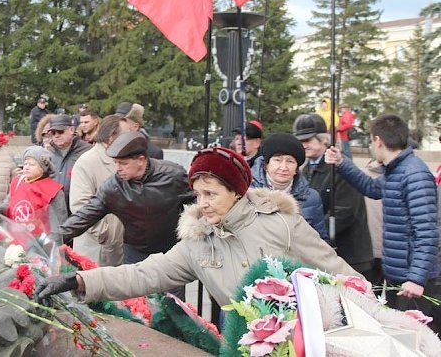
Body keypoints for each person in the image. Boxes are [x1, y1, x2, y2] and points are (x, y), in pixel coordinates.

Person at [36, 146, 360, 308]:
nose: (202, 203)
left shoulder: (281, 223)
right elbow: (145, 273)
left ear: (236, 192)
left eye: (211, 194)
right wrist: (79, 280)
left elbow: (337, 271)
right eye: (198, 194)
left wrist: (376, 311)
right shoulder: (198, 241)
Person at [325, 114, 439, 326]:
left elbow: (427, 232)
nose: (371, 146)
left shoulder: (415, 174)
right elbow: (372, 188)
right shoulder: (395, 170)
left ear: (378, 140)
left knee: (416, 340)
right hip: (398, 274)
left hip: (412, 281)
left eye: (370, 141)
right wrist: (342, 163)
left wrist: (416, 278)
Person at [58, 131, 194, 299]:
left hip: (171, 253)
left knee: (175, 309)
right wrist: (56, 237)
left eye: (123, 163)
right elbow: (85, 216)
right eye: (115, 163)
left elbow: (198, 203)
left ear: (141, 160)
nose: (117, 168)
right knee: (139, 308)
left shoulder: (174, 176)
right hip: (135, 254)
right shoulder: (113, 187)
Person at [293, 113, 374, 280]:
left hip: (350, 256)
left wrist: (308, 234)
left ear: (323, 140)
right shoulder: (305, 170)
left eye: (308, 140)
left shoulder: (340, 168)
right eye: (300, 141)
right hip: (323, 252)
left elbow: (345, 212)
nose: (303, 145)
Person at [70, 115, 131, 266]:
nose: (132, 139)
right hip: (97, 250)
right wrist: (108, 236)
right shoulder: (87, 162)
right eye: (127, 135)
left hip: (121, 248)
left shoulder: (123, 159)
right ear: (112, 137)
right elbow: (81, 206)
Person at [251, 133, 329, 242]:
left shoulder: (311, 198)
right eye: (277, 160)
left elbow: (321, 240)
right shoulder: (248, 192)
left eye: (290, 161)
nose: (283, 167)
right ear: (266, 165)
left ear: (296, 168)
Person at [0, 146, 68, 235]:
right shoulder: (17, 181)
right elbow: (8, 205)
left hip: (39, 241)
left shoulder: (53, 190)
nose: (26, 167)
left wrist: (53, 244)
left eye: (31, 164)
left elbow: (59, 222)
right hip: (15, 237)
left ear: (43, 168)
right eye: (25, 163)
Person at [45, 114, 92, 214]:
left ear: (71, 130)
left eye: (60, 131)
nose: (57, 135)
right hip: (53, 212)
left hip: (81, 211)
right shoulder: (47, 153)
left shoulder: (88, 151)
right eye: (53, 133)